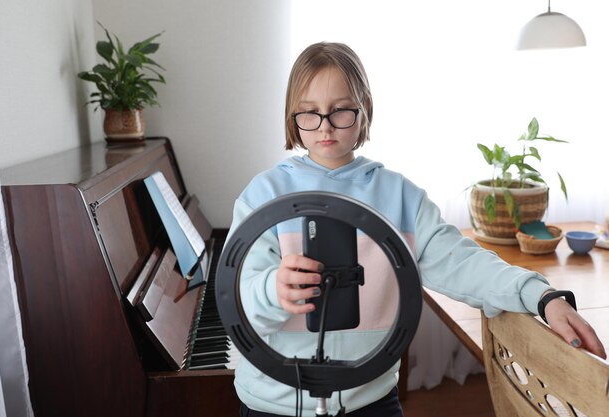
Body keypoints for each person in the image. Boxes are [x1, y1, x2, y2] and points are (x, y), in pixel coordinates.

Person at [228, 42, 606, 417]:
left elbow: (463, 264)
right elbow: (238, 302)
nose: (325, 126)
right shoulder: (263, 196)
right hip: (272, 405)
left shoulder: (399, 197)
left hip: (370, 400)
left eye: (341, 110)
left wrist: (543, 297)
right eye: (309, 113)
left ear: (364, 110)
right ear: (292, 115)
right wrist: (272, 289)